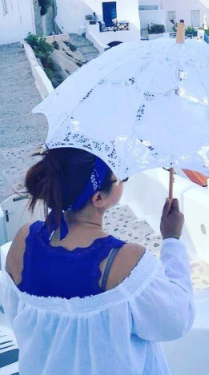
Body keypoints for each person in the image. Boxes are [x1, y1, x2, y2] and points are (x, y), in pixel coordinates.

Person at [1, 147, 195, 375]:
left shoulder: (24, 240)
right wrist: (172, 241)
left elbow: (17, 315)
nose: (124, 180)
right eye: (121, 176)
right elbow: (177, 320)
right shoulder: (126, 261)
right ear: (98, 198)